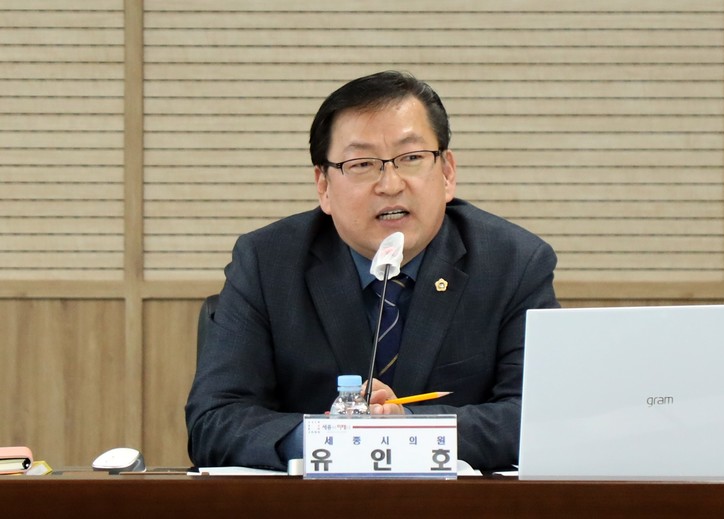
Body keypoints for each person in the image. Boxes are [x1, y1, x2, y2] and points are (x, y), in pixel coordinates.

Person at [185, 70, 559, 471]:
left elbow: (539, 418)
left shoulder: (514, 263)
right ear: (324, 186)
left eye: (411, 158)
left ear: (447, 173)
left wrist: (407, 430)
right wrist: (330, 440)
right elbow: (214, 421)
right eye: (362, 164)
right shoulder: (267, 262)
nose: (390, 184)